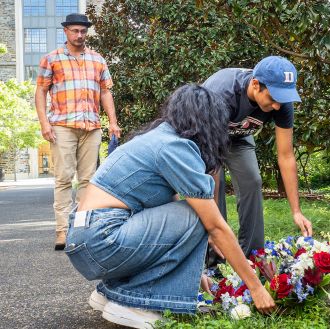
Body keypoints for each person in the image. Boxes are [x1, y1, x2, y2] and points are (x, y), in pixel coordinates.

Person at [64, 85, 276, 329]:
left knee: (194, 214)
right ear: (208, 122)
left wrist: (193, 270)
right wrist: (256, 287)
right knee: (200, 216)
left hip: (88, 239)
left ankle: (111, 294)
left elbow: (166, 220)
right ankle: (135, 305)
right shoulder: (176, 147)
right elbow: (214, 225)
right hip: (102, 238)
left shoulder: (158, 137)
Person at [203, 56, 313, 264]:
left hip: (239, 136)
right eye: (273, 98)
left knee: (252, 180)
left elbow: (286, 155)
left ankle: (253, 257)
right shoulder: (221, 93)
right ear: (255, 85)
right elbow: (211, 169)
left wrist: (296, 211)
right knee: (211, 186)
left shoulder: (281, 102)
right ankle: (213, 258)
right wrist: (212, 229)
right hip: (206, 137)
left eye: (282, 99)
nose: (278, 106)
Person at [35, 13, 121, 250]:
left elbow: (105, 92)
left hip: (91, 126)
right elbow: (41, 92)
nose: (79, 35)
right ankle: (62, 232)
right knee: (63, 179)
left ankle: (83, 232)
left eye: (83, 31)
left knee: (88, 181)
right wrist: (44, 123)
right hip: (62, 126)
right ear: (66, 31)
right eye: (75, 31)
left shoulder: (97, 59)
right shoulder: (51, 59)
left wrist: (112, 122)